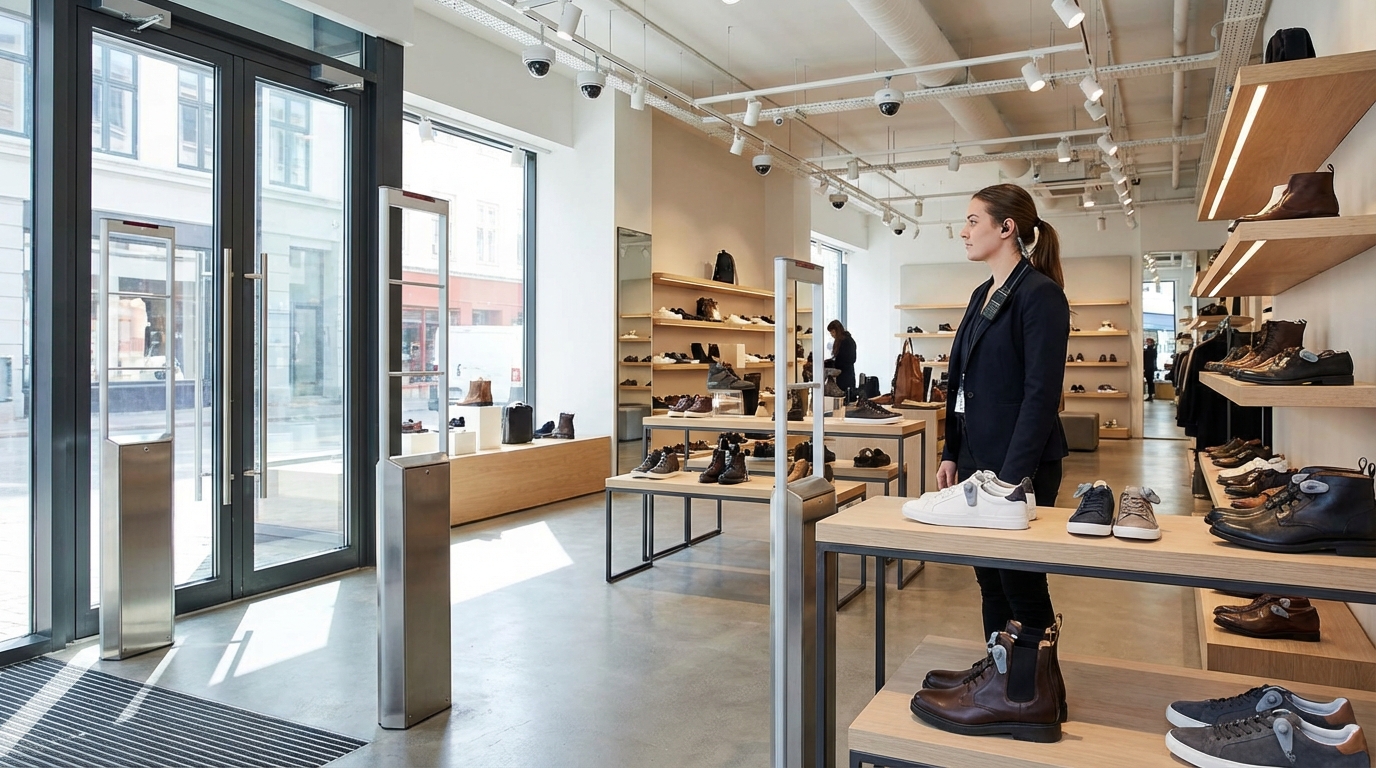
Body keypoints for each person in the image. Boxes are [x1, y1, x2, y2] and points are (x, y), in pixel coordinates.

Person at [939, 183, 1070, 642]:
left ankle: (1031, 686)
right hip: (977, 459)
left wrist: (1012, 478)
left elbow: (1041, 395)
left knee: (1020, 579)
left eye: (974, 221)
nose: (964, 231)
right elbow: (963, 383)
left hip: (1021, 467)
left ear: (1007, 227)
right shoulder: (982, 294)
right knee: (989, 580)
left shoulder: (1040, 295)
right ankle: (998, 673)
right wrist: (952, 451)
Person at [823, 319, 856, 396]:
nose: (832, 335)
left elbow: (848, 359)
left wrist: (834, 363)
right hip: (845, 374)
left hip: (845, 376)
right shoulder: (845, 340)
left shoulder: (846, 341)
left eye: (833, 332)